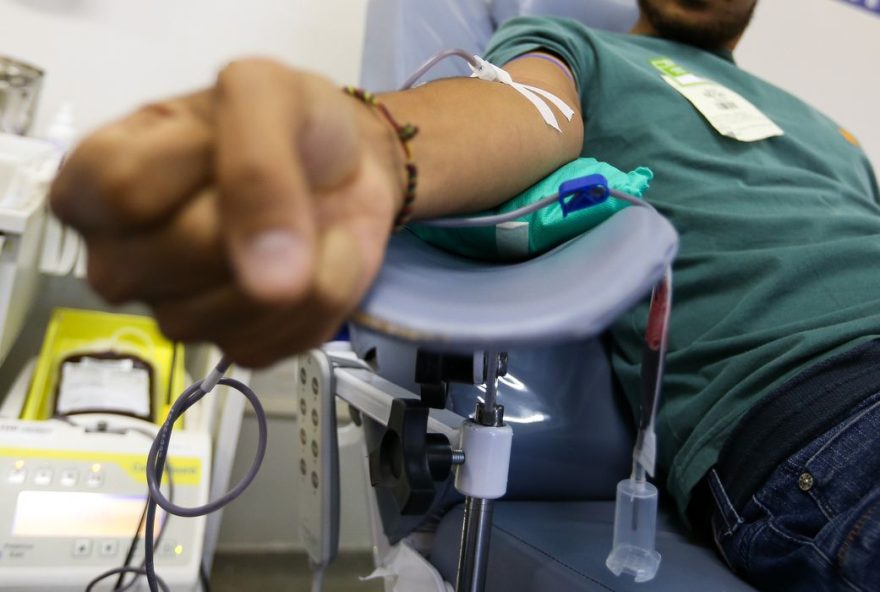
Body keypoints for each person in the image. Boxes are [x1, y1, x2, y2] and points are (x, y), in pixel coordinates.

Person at [49, 1, 880, 589]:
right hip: (829, 417)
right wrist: (374, 146)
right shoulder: (579, 51)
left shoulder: (831, 130)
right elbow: (506, 113)